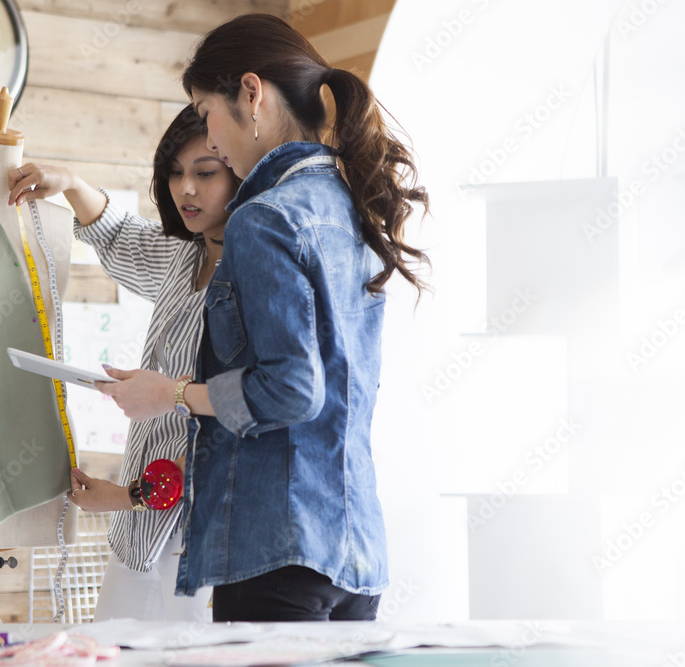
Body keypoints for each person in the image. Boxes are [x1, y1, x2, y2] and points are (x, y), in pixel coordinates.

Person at [86, 13, 430, 622]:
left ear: (251, 93)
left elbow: (293, 391)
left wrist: (172, 393)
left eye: (206, 112)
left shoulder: (265, 215)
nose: (210, 138)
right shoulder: (351, 204)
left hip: (274, 548)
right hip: (355, 549)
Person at [6, 106, 241, 621]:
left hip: (199, 533)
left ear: (240, 169)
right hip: (139, 532)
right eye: (176, 173)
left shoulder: (251, 278)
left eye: (205, 173)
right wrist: (69, 182)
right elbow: (117, 235)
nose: (186, 190)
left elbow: (234, 429)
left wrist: (130, 495)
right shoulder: (186, 256)